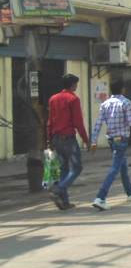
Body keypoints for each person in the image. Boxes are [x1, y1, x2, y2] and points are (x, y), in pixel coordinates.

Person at [90, 80, 131, 211]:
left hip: (111, 139)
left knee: (122, 166)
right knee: (115, 168)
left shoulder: (105, 104)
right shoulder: (126, 102)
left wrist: (94, 140)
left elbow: (98, 124)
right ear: (123, 89)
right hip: (122, 139)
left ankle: (130, 193)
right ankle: (100, 197)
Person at [47, 74, 90, 210]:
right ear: (72, 85)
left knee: (64, 169)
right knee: (76, 168)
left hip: (56, 138)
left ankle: (64, 202)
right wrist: (86, 140)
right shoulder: (73, 99)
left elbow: (50, 121)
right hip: (68, 139)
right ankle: (58, 189)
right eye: (76, 84)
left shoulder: (53, 99)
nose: (77, 86)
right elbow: (78, 122)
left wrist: (49, 139)